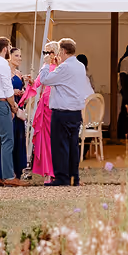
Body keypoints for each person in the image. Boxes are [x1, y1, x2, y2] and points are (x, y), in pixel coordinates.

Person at [39, 36, 94, 186]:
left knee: (60, 145)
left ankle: (62, 177)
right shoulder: (79, 66)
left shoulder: (64, 67)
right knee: (72, 146)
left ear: (62, 51)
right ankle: (73, 177)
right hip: (76, 111)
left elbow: (45, 80)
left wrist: (46, 64)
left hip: (62, 111)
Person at [0, 37, 28, 187]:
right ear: (5, 49)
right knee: (8, 140)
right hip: (1, 104)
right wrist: (14, 106)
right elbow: (7, 89)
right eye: (9, 48)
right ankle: (9, 176)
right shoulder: (2, 65)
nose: (10, 50)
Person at [20, 41, 57, 179]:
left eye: (49, 52)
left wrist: (46, 65)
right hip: (45, 103)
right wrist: (31, 82)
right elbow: (38, 84)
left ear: (55, 53)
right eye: (44, 52)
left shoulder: (56, 67)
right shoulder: (46, 67)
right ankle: (48, 172)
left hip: (52, 103)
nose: (46, 55)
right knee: (45, 138)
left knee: (51, 138)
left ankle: (53, 171)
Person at [9, 47, 28, 179]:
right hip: (9, 107)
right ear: (9, 56)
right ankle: (9, 170)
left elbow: (25, 91)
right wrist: (12, 92)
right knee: (10, 138)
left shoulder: (19, 74)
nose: (19, 58)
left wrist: (24, 90)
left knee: (19, 137)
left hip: (19, 107)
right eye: (16, 55)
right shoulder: (5, 73)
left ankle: (18, 170)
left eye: (20, 56)